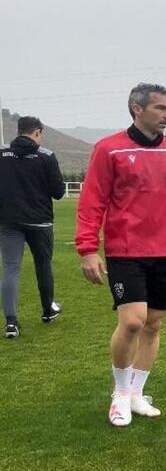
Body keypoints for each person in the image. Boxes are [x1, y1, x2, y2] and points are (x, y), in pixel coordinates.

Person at [75, 83, 166, 427]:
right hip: (125, 250)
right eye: (160, 108)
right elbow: (92, 201)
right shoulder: (109, 149)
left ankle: (136, 394)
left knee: (153, 324)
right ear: (136, 109)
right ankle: (119, 394)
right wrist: (87, 249)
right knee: (132, 322)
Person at [0, 116, 65, 338]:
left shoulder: (2, 154)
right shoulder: (46, 156)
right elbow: (58, 192)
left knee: (10, 268)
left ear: (19, 131)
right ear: (37, 132)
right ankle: (48, 309)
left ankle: (11, 322)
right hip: (40, 221)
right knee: (43, 265)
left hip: (8, 220)